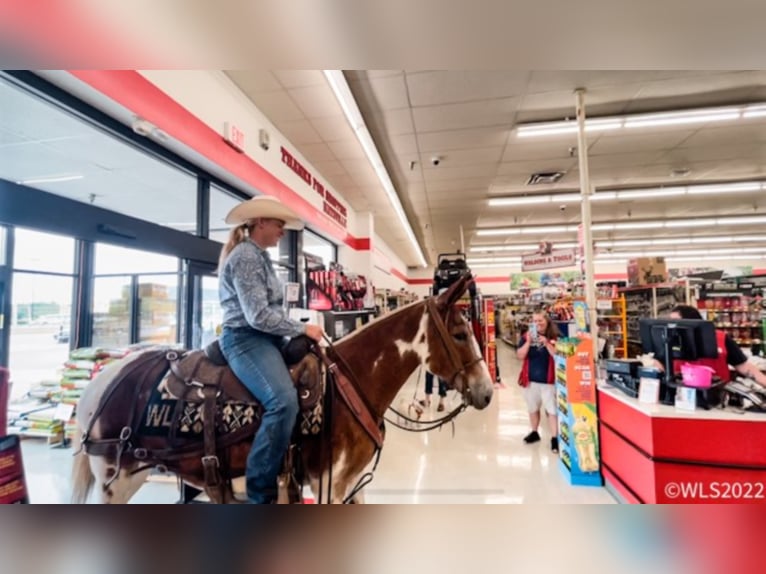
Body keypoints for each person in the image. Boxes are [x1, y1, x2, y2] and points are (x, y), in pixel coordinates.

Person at [217, 195, 324, 504]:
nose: (282, 231)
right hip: (246, 339)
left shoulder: (260, 256)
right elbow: (258, 316)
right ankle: (260, 494)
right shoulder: (247, 257)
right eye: (279, 224)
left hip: (265, 339)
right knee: (283, 402)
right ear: (261, 222)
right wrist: (302, 328)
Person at [662, 305, 766, 387]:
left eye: (676, 321)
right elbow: (659, 365)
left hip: (718, 396)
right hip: (680, 396)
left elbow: (743, 366)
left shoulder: (721, 338)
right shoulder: (668, 340)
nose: (671, 326)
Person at [516, 312, 560, 452]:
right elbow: (520, 355)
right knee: (532, 408)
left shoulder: (556, 337)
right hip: (530, 380)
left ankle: (554, 438)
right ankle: (534, 432)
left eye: (540, 320)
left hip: (549, 381)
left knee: (551, 410)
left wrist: (547, 343)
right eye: (535, 321)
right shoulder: (526, 337)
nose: (538, 323)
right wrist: (528, 342)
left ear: (547, 320)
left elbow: (558, 356)